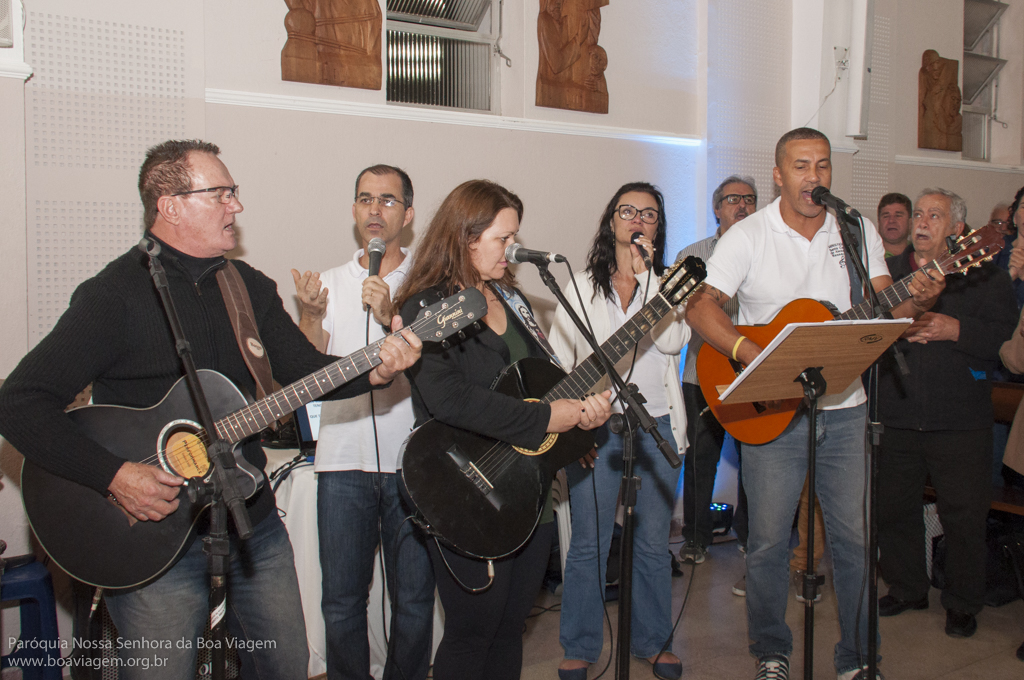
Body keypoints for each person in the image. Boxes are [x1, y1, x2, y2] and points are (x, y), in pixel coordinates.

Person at [0, 140, 422, 680]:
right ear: (170, 206)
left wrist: (378, 370)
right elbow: (19, 402)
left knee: (284, 665)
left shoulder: (248, 288)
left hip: (251, 524)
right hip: (152, 536)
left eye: (233, 192)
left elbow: (306, 372)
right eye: (220, 193)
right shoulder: (113, 296)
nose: (236, 206)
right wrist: (115, 475)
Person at [685, 127, 944, 680]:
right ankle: (771, 652)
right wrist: (748, 351)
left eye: (822, 165)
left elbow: (885, 303)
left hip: (846, 410)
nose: (814, 176)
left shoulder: (855, 229)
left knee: (854, 540)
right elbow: (701, 307)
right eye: (801, 166)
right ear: (779, 175)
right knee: (768, 543)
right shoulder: (749, 235)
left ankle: (859, 658)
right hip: (772, 415)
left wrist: (922, 296)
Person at [394, 179, 612, 680]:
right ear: (466, 237)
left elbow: (537, 385)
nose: (513, 248)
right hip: (463, 489)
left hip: (527, 489)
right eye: (503, 238)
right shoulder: (426, 307)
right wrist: (546, 419)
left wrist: (579, 419)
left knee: (511, 627)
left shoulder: (512, 299)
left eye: (515, 237)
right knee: (473, 632)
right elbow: (448, 398)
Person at [290, 165, 435, 680]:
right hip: (342, 461)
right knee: (342, 601)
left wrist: (393, 310)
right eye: (366, 199)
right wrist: (311, 316)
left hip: (412, 463)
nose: (375, 209)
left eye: (388, 200)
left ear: (408, 214)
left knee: (413, 598)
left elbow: (441, 367)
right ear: (354, 209)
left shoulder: (428, 284)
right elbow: (307, 376)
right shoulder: (328, 283)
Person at [550, 182, 688, 680]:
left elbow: (672, 342)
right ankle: (580, 644)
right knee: (588, 543)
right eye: (627, 211)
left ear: (657, 228)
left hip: (657, 425)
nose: (637, 220)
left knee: (651, 543)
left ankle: (653, 640)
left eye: (648, 214)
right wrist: (572, 434)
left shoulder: (667, 283)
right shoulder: (581, 286)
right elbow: (560, 361)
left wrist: (651, 278)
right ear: (611, 222)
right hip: (595, 428)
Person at [875, 188, 1017, 638]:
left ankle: (962, 601)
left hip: (960, 418)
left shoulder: (984, 275)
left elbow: (1007, 343)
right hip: (897, 412)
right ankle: (907, 588)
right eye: (919, 213)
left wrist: (957, 330)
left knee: (964, 516)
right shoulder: (888, 274)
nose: (921, 222)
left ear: (957, 228)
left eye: (934, 216)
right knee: (894, 509)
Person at [675, 175, 755, 568]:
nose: (742, 206)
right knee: (699, 461)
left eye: (749, 199)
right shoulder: (692, 255)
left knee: (755, 459)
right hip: (700, 374)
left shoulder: (764, 249)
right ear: (716, 208)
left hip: (753, 373)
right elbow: (676, 313)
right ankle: (696, 538)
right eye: (733, 199)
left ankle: (751, 536)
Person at [877, 193, 913, 258]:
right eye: (886, 216)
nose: (891, 220)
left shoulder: (921, 254)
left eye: (898, 215)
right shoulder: (867, 256)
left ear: (910, 223)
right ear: (879, 222)